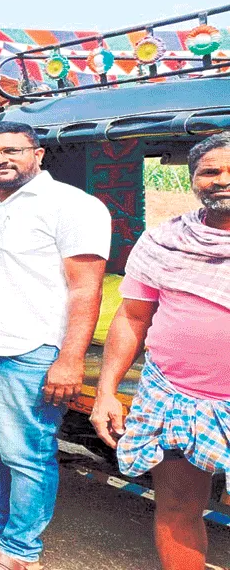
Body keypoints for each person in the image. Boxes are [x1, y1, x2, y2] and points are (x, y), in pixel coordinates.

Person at [0, 121, 111, 570]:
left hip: (26, 350)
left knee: (25, 452)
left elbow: (86, 290)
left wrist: (70, 359)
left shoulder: (72, 206)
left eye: (12, 150)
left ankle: (20, 550)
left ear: (38, 153)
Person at [91, 132, 230, 570]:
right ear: (193, 180)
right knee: (177, 508)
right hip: (174, 397)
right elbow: (132, 318)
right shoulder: (165, 241)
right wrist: (106, 391)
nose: (222, 179)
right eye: (210, 171)